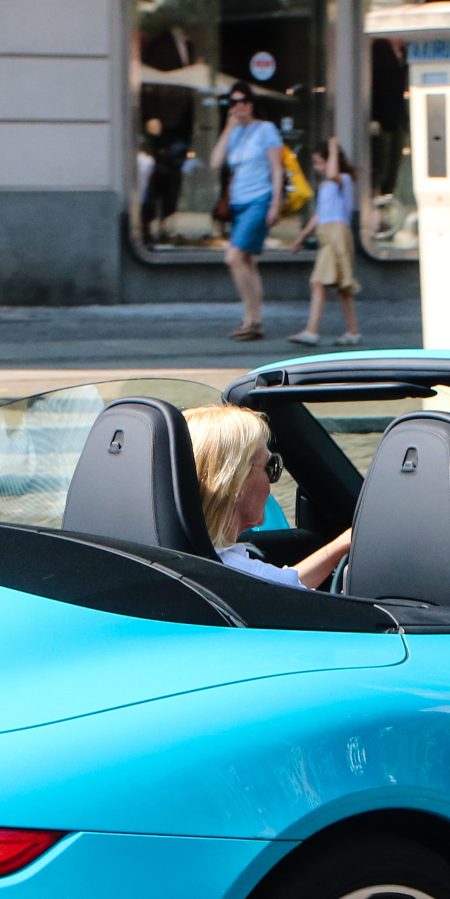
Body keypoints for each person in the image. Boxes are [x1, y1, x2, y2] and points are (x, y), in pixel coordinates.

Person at [184, 403, 351, 589]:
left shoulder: (172, 556)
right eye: (270, 467)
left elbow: (288, 582)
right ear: (236, 482)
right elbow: (287, 589)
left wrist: (342, 545)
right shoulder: (238, 575)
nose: (272, 481)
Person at [212, 86, 283, 341]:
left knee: (233, 257)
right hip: (238, 204)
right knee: (248, 262)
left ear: (251, 104)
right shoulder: (234, 134)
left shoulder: (266, 130)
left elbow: (277, 169)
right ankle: (253, 320)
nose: (237, 106)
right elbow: (216, 161)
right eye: (232, 102)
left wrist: (276, 204)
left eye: (242, 101)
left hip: (259, 200)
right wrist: (229, 128)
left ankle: (252, 318)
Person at [288, 137, 361, 348]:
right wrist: (301, 237)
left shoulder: (342, 179)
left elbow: (332, 174)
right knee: (341, 285)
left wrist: (332, 149)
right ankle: (352, 330)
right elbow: (319, 214)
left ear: (332, 161)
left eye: (320, 162)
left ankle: (312, 331)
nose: (317, 167)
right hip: (327, 234)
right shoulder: (327, 184)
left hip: (337, 234)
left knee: (319, 282)